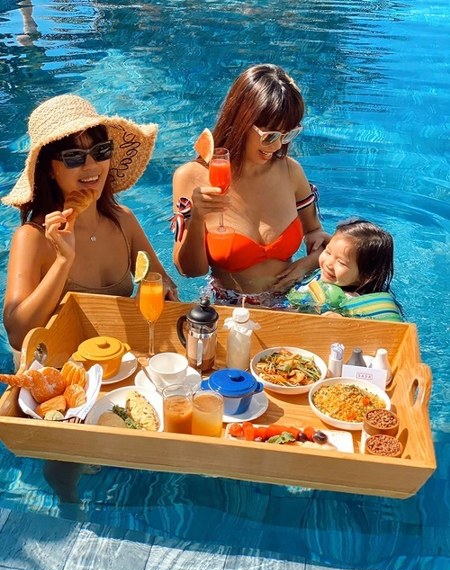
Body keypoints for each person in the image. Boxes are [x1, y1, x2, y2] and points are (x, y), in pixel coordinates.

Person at [2, 93, 178, 355]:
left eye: (100, 151)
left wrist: (159, 288)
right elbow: (17, 335)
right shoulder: (33, 237)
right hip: (60, 369)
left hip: (118, 359)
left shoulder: (124, 221)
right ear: (48, 169)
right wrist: (63, 261)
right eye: (74, 156)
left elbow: (164, 283)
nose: (91, 165)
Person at [171, 63, 329, 307]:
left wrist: (304, 266)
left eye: (288, 135)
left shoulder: (291, 171)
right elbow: (190, 271)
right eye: (269, 136)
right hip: (230, 309)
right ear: (242, 121)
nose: (277, 146)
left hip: (291, 306)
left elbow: (316, 234)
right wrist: (197, 219)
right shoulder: (193, 177)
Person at [286, 218, 403, 321]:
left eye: (341, 262)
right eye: (328, 252)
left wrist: (343, 322)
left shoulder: (352, 303)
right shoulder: (333, 272)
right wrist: (322, 236)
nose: (328, 264)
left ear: (365, 276)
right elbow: (343, 248)